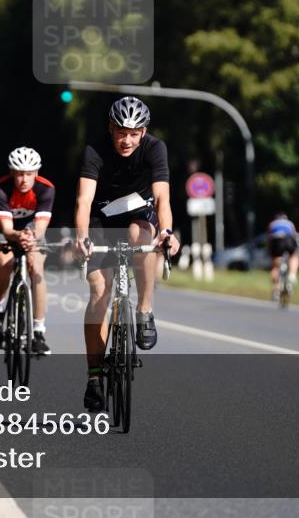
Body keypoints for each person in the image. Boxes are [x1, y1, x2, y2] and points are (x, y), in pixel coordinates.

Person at [73, 96, 180, 412]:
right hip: (101, 218)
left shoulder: (155, 148)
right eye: (121, 132)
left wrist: (167, 233)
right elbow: (83, 201)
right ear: (111, 128)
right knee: (98, 290)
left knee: (140, 235)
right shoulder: (95, 149)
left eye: (134, 133)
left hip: (138, 215)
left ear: (144, 132)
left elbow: (162, 199)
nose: (127, 140)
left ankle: (144, 309)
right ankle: (94, 377)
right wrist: (81, 238)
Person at [0, 147, 56, 356]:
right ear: (11, 173)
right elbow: (7, 230)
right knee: (6, 263)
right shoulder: (1, 188)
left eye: (29, 174)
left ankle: (38, 331)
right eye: (19, 174)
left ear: (36, 173)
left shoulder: (46, 189)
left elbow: (41, 228)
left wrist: (30, 236)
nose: (24, 179)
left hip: (31, 229)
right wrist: (18, 236)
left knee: (36, 268)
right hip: (4, 229)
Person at [267, 213, 299, 301]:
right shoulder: (289, 223)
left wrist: (269, 252)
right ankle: (292, 275)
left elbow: (269, 239)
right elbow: (294, 235)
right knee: (294, 256)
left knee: (275, 267)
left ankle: (276, 291)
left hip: (276, 241)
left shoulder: (272, 224)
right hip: (288, 239)